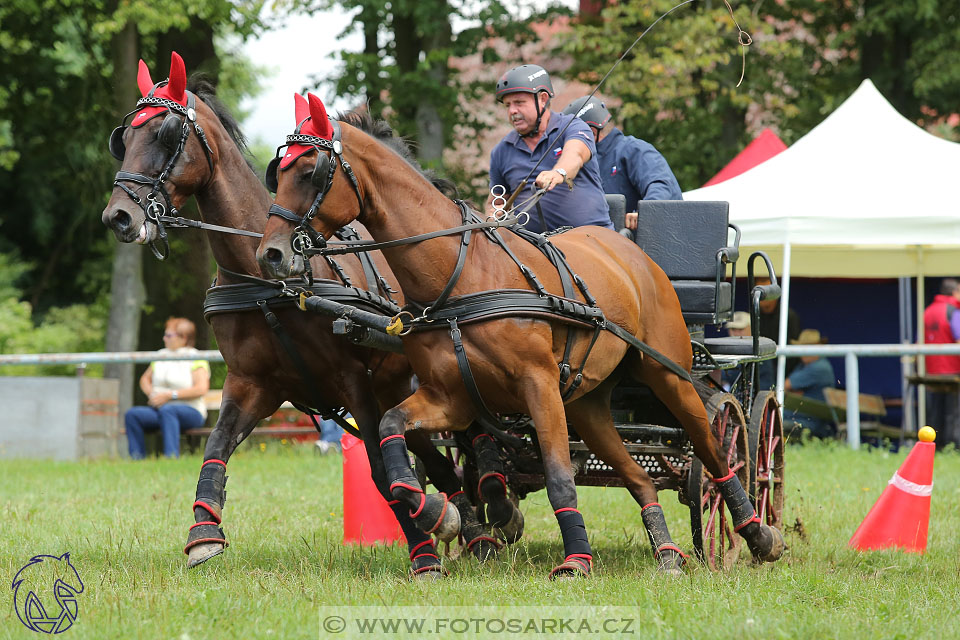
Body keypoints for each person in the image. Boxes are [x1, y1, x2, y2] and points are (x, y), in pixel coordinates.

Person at [487, 64, 612, 234]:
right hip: (531, 248)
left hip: (592, 239)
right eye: (507, 105)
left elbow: (575, 155)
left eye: (519, 103)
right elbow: (496, 201)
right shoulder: (501, 151)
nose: (512, 111)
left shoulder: (573, 126)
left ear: (543, 99)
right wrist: (494, 214)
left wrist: (558, 173)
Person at [562, 95, 683, 231]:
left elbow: (660, 185)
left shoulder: (633, 150)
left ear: (591, 132)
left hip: (642, 243)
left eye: (573, 136)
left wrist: (644, 212)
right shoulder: (584, 164)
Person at [125, 317, 211, 459]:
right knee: (133, 415)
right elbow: (145, 379)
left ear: (183, 338)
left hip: (191, 411)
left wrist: (170, 395)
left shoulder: (195, 357)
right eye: (165, 335)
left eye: (169, 335)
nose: (164, 338)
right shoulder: (161, 355)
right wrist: (152, 394)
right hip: (161, 410)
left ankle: (171, 457)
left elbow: (201, 388)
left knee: (168, 410)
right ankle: (137, 459)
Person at [922, 278, 960, 447]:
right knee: (954, 412)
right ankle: (953, 446)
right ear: (954, 293)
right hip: (953, 370)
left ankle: (934, 446)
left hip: (932, 372)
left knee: (935, 412)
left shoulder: (927, 311)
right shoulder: (953, 311)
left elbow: (919, 341)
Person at [782, 329, 836, 438]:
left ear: (819, 347)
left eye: (807, 346)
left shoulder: (819, 367)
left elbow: (784, 386)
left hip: (811, 421)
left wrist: (793, 392)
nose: (803, 351)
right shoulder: (805, 365)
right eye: (801, 347)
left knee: (770, 421)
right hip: (798, 415)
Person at [754, 276, 800, 390]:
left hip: (785, 372)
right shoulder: (753, 315)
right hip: (761, 371)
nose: (764, 297)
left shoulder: (788, 316)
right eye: (760, 292)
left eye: (767, 292)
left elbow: (794, 349)